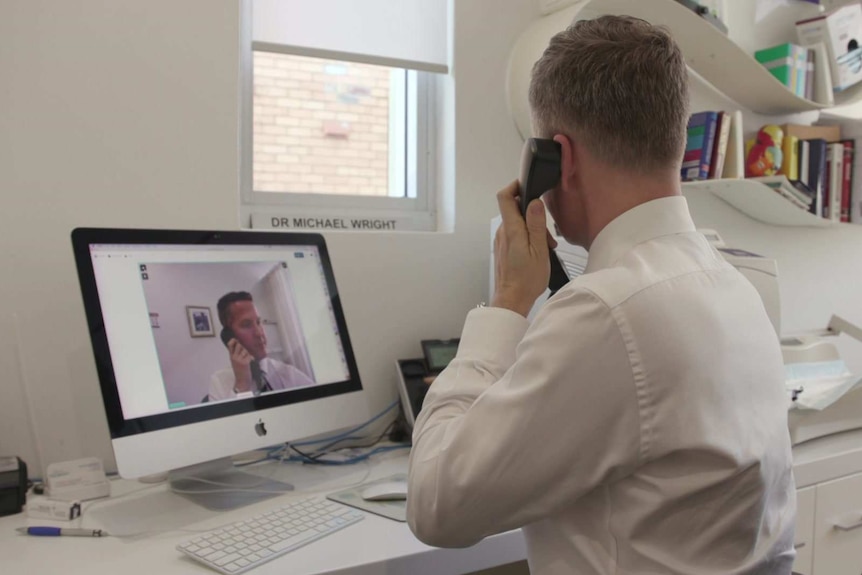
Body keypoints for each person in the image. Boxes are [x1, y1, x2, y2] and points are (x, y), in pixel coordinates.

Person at [406, 15, 795, 575]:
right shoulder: (737, 283)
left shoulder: (610, 311)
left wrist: (509, 302)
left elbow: (435, 506)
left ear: (556, 158)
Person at [208, 291, 314, 401]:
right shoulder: (219, 382)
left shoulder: (289, 373)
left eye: (258, 322)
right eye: (246, 324)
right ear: (230, 336)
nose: (259, 333)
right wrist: (242, 385)